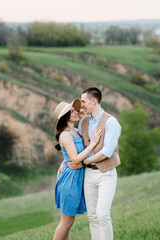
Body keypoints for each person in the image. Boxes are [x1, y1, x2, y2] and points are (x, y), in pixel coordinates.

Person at [68, 87, 121, 240]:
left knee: (102, 214)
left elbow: (107, 152)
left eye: (83, 101)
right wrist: (66, 161)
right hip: (88, 174)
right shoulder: (83, 122)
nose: (82, 105)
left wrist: (84, 161)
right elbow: (76, 146)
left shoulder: (111, 122)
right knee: (92, 216)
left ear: (94, 101)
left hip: (106, 173)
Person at [53, 98, 103, 240]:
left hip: (77, 177)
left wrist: (83, 116)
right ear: (65, 117)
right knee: (66, 222)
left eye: (75, 110)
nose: (76, 112)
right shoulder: (66, 134)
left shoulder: (75, 131)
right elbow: (75, 159)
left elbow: (73, 154)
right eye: (72, 111)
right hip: (70, 179)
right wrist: (93, 143)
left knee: (69, 222)